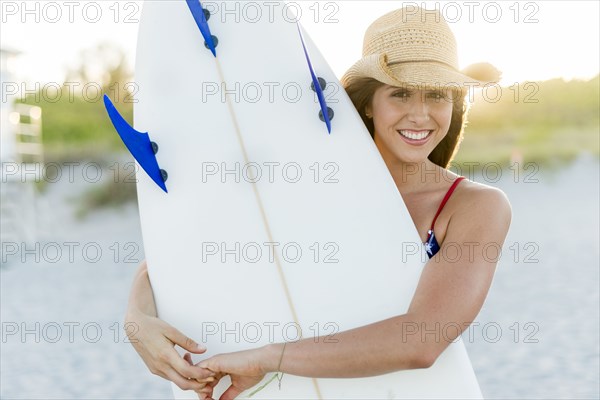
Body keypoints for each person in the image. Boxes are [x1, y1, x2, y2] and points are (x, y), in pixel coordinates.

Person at [125, 6, 511, 400]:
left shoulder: (473, 206)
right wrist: (137, 322)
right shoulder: (312, 180)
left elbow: (421, 341)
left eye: (437, 95)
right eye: (400, 93)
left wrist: (268, 358)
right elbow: (177, 256)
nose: (420, 114)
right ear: (367, 103)